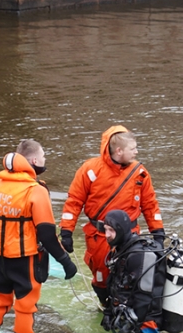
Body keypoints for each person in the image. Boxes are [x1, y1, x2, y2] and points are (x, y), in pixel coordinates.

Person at [0, 140, 77, 333]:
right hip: (25, 260)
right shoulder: (36, 191)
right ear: (33, 161)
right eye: (43, 156)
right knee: (25, 307)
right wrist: (66, 262)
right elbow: (47, 236)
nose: (44, 160)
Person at [59, 126, 165, 306]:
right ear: (119, 151)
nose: (137, 152)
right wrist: (66, 231)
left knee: (133, 272)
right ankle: (106, 303)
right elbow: (74, 201)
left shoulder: (140, 173)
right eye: (133, 149)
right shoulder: (90, 170)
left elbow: (150, 205)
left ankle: (128, 306)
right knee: (101, 275)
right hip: (100, 236)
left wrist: (158, 232)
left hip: (130, 235)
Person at [101, 210, 167, 333]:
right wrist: (109, 311)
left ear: (121, 230)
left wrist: (133, 325)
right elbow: (113, 283)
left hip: (145, 321)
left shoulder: (139, 254)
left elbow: (144, 296)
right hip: (128, 314)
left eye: (111, 230)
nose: (106, 235)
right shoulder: (121, 250)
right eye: (105, 229)